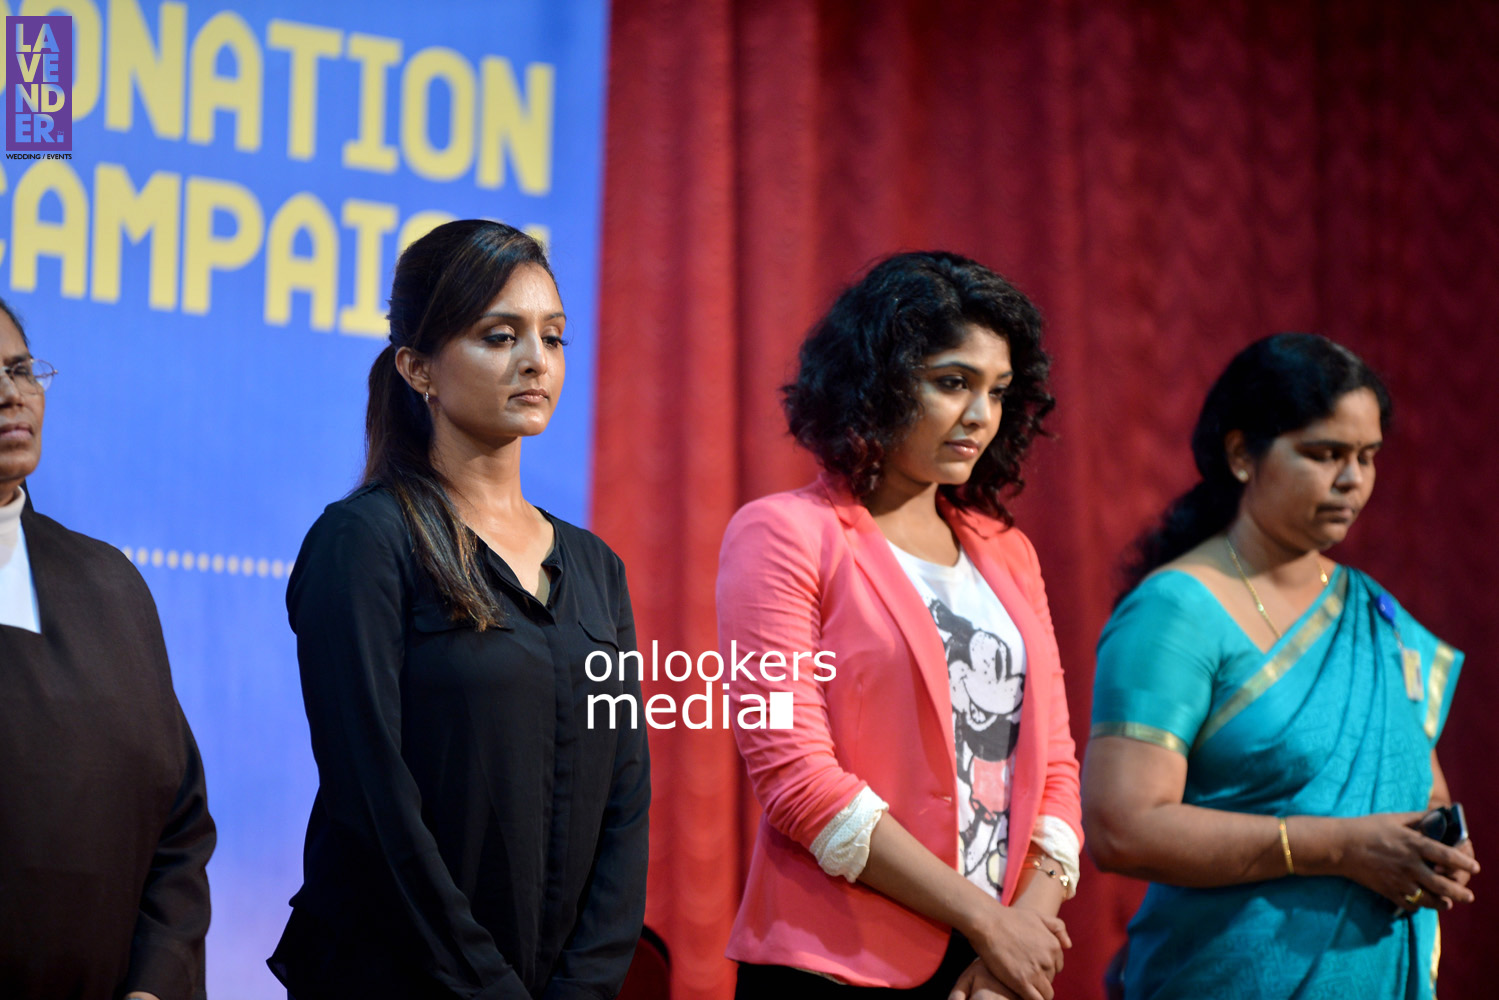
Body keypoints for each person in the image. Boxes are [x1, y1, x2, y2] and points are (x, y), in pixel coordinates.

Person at [268, 221, 649, 999]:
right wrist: (485, 988)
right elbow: (371, 800)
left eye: (553, 336)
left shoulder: (594, 567)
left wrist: (587, 985)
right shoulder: (364, 541)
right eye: (498, 335)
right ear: (418, 368)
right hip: (400, 979)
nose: (535, 360)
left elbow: (625, 795)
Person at [717, 252, 1082, 1000]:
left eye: (997, 391)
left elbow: (1055, 774)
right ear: (876, 382)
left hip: (995, 968)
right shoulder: (783, 533)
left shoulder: (1007, 553)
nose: (979, 414)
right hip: (832, 963)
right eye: (951, 382)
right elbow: (795, 781)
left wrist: (1021, 939)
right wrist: (988, 922)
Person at [1084, 334, 1479, 1000]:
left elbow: (1425, 792)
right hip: (1224, 976)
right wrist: (1336, 847)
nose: (1351, 480)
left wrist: (1437, 849)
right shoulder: (1176, 610)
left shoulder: (1373, 614)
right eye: (1323, 455)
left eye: (1367, 456)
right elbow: (1121, 827)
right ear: (1241, 454)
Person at [0, 299, 215, 999]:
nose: (11, 395)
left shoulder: (109, 585)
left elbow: (178, 830)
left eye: (20, 369)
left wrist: (154, 987)